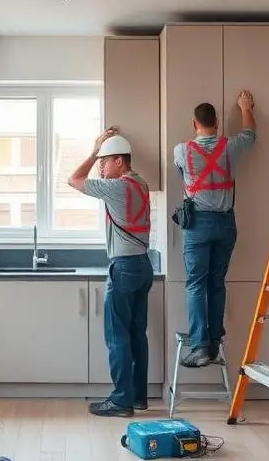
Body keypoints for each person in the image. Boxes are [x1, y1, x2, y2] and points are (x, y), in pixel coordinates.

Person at [68, 127, 153, 417]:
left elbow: (74, 180)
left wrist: (93, 150)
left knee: (117, 337)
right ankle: (138, 397)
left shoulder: (116, 187)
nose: (101, 167)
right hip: (143, 265)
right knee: (137, 334)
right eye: (100, 161)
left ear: (119, 161)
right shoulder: (140, 184)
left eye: (105, 161)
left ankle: (120, 401)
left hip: (125, 267)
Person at [173, 91, 256, 368]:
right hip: (225, 223)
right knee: (216, 283)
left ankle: (200, 347)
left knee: (196, 284)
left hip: (198, 225)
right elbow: (249, 135)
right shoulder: (230, 146)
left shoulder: (181, 151)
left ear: (194, 124)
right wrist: (245, 107)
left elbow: (181, 172)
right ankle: (215, 339)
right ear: (217, 122)